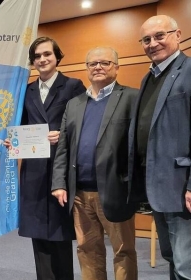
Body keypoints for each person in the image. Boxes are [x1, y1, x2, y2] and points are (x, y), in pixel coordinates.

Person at [51, 46, 138, 280]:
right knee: (87, 250)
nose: (98, 67)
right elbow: (64, 147)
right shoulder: (75, 103)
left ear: (117, 67)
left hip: (115, 191)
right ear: (87, 69)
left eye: (105, 63)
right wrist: (59, 183)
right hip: (79, 194)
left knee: (124, 251)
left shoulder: (132, 97)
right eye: (92, 64)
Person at [4, 37, 86, 280]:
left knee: (60, 235)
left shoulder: (73, 86)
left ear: (57, 56)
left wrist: (62, 136)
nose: (42, 60)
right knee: (38, 235)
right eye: (37, 56)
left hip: (61, 169)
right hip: (33, 171)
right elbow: (21, 125)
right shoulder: (26, 90)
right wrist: (13, 141)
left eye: (47, 54)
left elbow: (83, 124)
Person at [128, 15, 191, 280]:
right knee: (172, 257)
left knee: (186, 262)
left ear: (177, 35)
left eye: (159, 36)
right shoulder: (147, 78)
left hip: (181, 188)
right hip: (157, 186)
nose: (152, 43)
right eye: (146, 39)